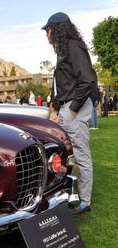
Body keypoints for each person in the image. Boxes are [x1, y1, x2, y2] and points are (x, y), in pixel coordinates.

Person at [43, 12, 98, 214]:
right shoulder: (64, 50)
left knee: (81, 155)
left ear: (57, 29)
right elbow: (62, 83)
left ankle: (85, 201)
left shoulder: (74, 46)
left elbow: (86, 80)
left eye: (48, 29)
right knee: (66, 153)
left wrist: (73, 108)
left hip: (75, 108)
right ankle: (67, 194)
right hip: (65, 108)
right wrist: (55, 107)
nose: (46, 34)